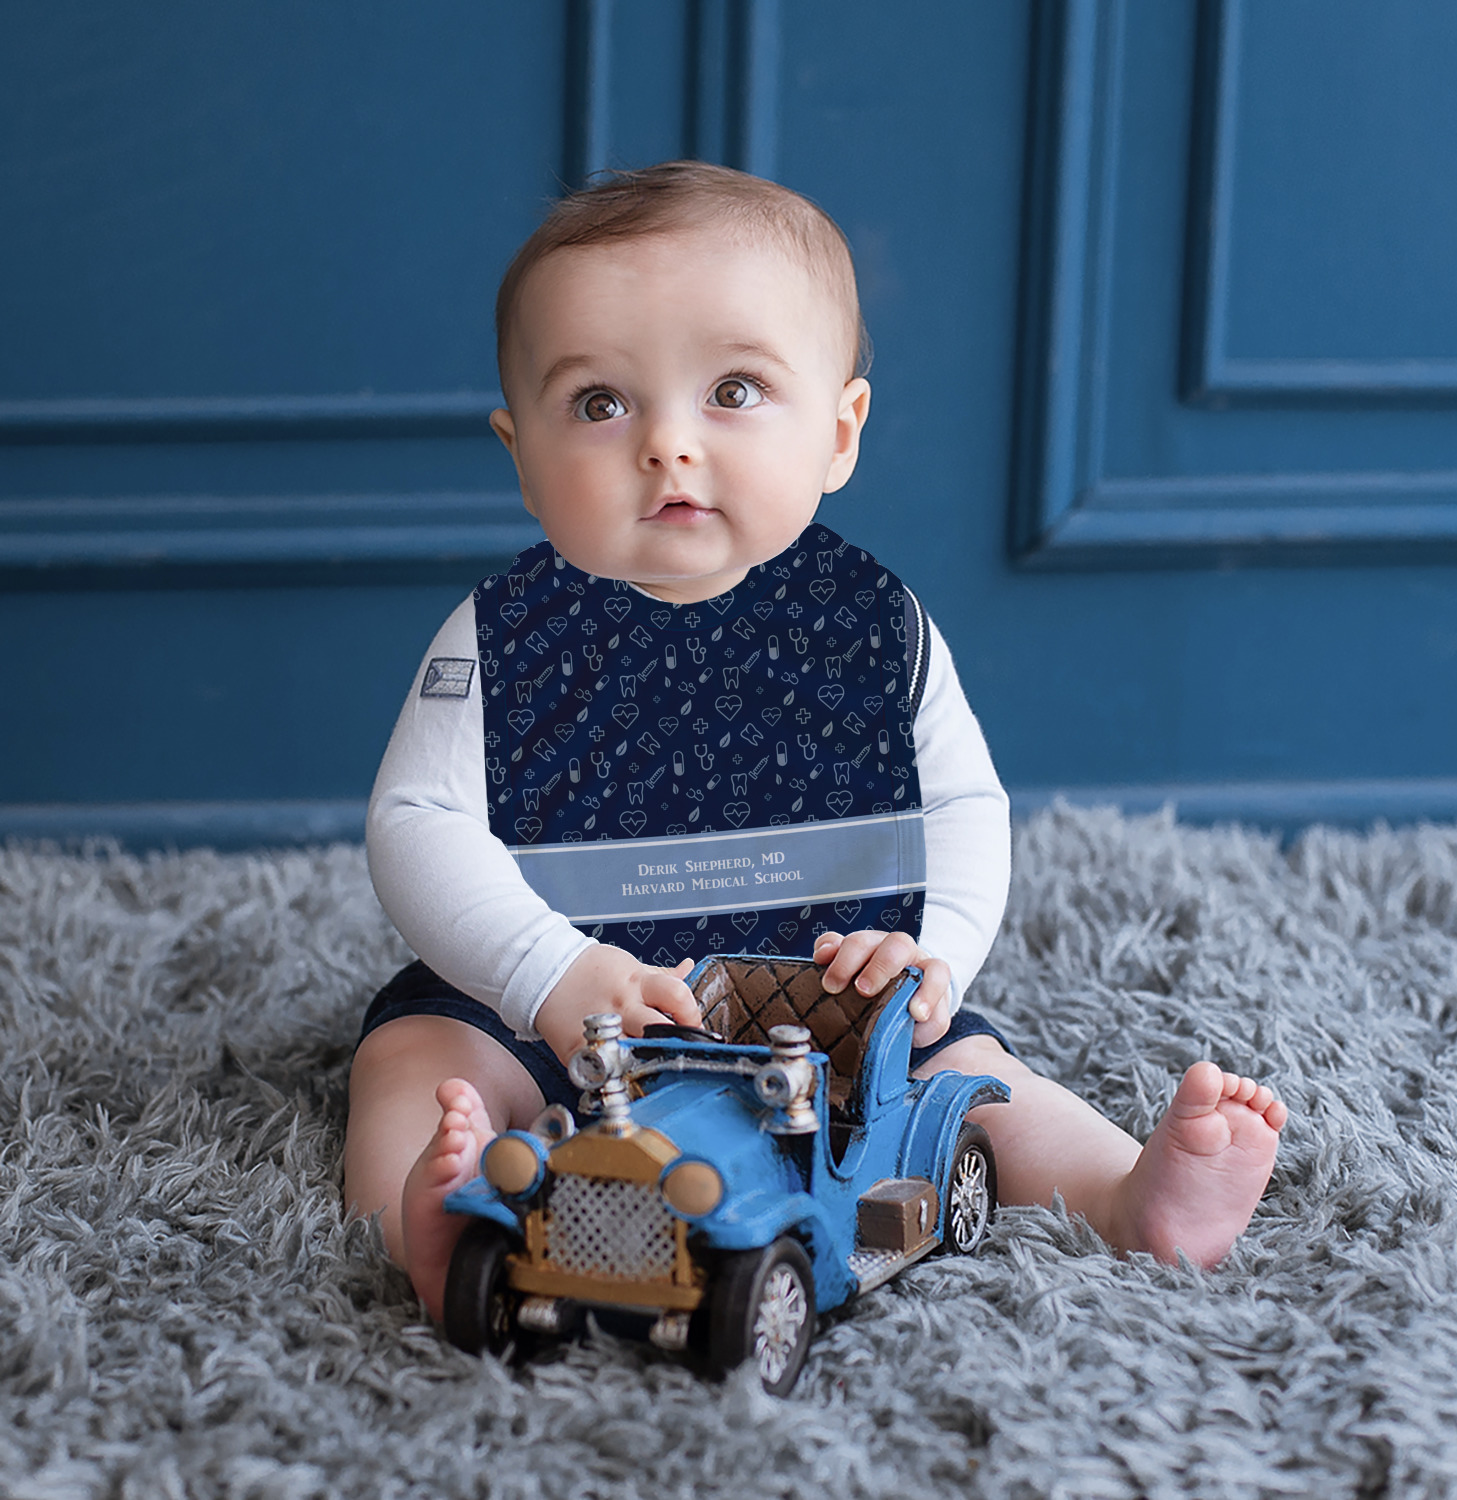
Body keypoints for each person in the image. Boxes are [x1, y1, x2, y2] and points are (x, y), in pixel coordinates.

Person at [344, 161, 1287, 1320]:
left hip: (818, 1009)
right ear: (522, 455)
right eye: (599, 404)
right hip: (555, 1013)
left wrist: (930, 959)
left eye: (733, 390)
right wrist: (545, 972)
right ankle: (439, 1224)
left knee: (971, 1080)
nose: (667, 444)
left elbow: (961, 809)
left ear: (840, 433)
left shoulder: (873, 627)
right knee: (417, 1063)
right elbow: (416, 823)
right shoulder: (503, 637)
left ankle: (1128, 1194)